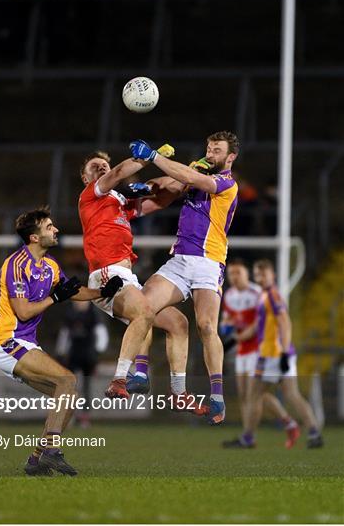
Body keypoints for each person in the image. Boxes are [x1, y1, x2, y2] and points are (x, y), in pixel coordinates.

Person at [0, 207, 123, 476]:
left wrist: (102, 292)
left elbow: (71, 291)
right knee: (68, 380)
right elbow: (25, 311)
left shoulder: (49, 265)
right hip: (7, 342)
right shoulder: (15, 265)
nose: (56, 230)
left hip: (25, 344)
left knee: (68, 397)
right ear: (34, 237)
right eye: (49, 226)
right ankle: (52, 451)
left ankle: (36, 460)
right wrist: (55, 299)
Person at [78, 149, 207, 414]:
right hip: (106, 274)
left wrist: (188, 174)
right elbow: (118, 172)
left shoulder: (120, 202)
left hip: (128, 277)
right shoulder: (92, 194)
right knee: (145, 312)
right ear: (85, 177)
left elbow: (160, 199)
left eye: (104, 164)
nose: (102, 168)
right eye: (95, 166)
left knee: (178, 323)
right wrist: (151, 154)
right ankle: (120, 379)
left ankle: (179, 392)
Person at [129, 131, 240, 425]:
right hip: (179, 259)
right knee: (140, 306)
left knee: (205, 325)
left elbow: (195, 181)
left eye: (217, 150)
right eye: (209, 147)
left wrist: (155, 157)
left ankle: (217, 396)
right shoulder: (196, 168)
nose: (211, 153)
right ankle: (140, 373)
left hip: (209, 261)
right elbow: (171, 184)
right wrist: (147, 184)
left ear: (230, 157)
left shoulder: (227, 183)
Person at [237, 259, 324, 448]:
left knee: (255, 395)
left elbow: (285, 322)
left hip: (273, 354)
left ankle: (249, 438)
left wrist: (284, 352)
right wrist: (240, 336)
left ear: (272, 275)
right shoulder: (264, 295)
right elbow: (258, 325)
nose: (260, 277)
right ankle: (313, 432)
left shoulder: (273, 296)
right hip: (272, 354)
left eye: (264, 274)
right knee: (288, 395)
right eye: (257, 274)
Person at [220, 259, 300, 448]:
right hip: (241, 351)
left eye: (238, 273)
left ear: (246, 274)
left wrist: (239, 334)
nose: (234, 277)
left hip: (257, 349)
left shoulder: (257, 293)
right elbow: (226, 322)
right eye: (231, 274)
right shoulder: (229, 295)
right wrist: (226, 327)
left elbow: (260, 323)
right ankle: (282, 424)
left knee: (254, 395)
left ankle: (251, 436)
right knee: (245, 395)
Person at [56, 300, 109, 428]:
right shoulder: (70, 314)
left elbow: (101, 334)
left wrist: (97, 352)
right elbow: (65, 334)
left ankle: (85, 416)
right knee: (70, 386)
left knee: (86, 387)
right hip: (73, 355)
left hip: (88, 355)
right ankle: (69, 415)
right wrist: (61, 351)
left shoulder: (93, 315)